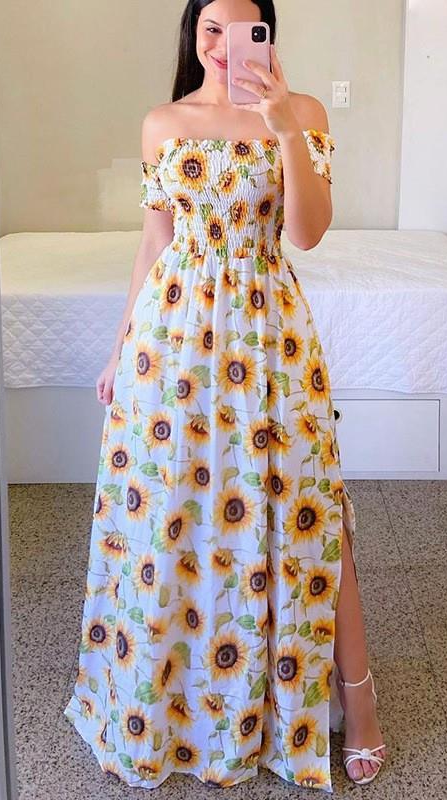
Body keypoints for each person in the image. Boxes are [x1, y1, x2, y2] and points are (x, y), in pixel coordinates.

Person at [63, 0, 386, 790]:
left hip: (271, 339)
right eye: (210, 28)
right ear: (194, 35)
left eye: (240, 30)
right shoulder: (163, 122)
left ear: (266, 37)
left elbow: (307, 232)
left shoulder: (300, 111)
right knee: (169, 514)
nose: (221, 45)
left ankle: (360, 704)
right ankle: (177, 705)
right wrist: (119, 348)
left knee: (308, 508)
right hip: (172, 344)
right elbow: (155, 242)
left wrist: (281, 126)